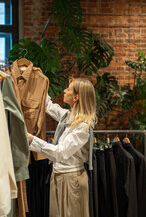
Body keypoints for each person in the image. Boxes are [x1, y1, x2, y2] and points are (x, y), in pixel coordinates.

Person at [28, 78, 97, 217]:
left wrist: (31, 140)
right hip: (59, 176)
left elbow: (59, 153)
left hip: (71, 180)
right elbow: (48, 105)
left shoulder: (82, 126)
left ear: (76, 97)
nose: (64, 91)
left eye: (68, 89)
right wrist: (37, 80)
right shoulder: (68, 116)